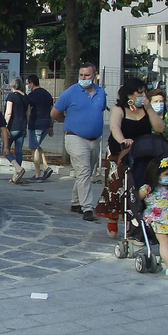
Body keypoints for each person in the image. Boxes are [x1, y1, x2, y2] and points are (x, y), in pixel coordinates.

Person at [98, 77, 167, 220]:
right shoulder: (119, 109)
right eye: (139, 93)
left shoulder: (146, 110)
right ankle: (114, 216)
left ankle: (136, 212)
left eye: (144, 93)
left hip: (142, 151)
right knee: (116, 184)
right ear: (130, 95)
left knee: (140, 180)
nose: (143, 96)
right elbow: (115, 127)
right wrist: (123, 140)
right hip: (121, 149)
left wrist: (149, 109)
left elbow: (160, 128)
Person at [51, 62, 109, 221]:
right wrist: (67, 120)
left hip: (94, 139)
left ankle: (76, 202)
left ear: (94, 75)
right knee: (83, 171)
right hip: (75, 137)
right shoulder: (70, 92)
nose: (83, 78)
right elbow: (54, 113)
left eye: (87, 75)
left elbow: (100, 110)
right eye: (81, 75)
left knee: (86, 172)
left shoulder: (100, 92)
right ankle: (87, 208)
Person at [26, 75, 55, 180]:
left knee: (34, 148)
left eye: (28, 83)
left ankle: (38, 174)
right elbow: (52, 111)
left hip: (35, 124)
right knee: (37, 146)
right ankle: (46, 167)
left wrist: (27, 123)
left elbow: (29, 111)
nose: (27, 86)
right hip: (46, 124)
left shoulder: (31, 95)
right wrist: (51, 126)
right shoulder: (47, 94)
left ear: (32, 83)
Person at [4, 79, 30, 184]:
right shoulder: (26, 97)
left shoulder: (11, 96)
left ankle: (18, 168)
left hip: (12, 127)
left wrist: (5, 126)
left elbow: (8, 112)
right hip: (22, 127)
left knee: (5, 149)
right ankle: (16, 176)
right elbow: (28, 113)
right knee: (18, 151)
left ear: (12, 86)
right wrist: (25, 126)